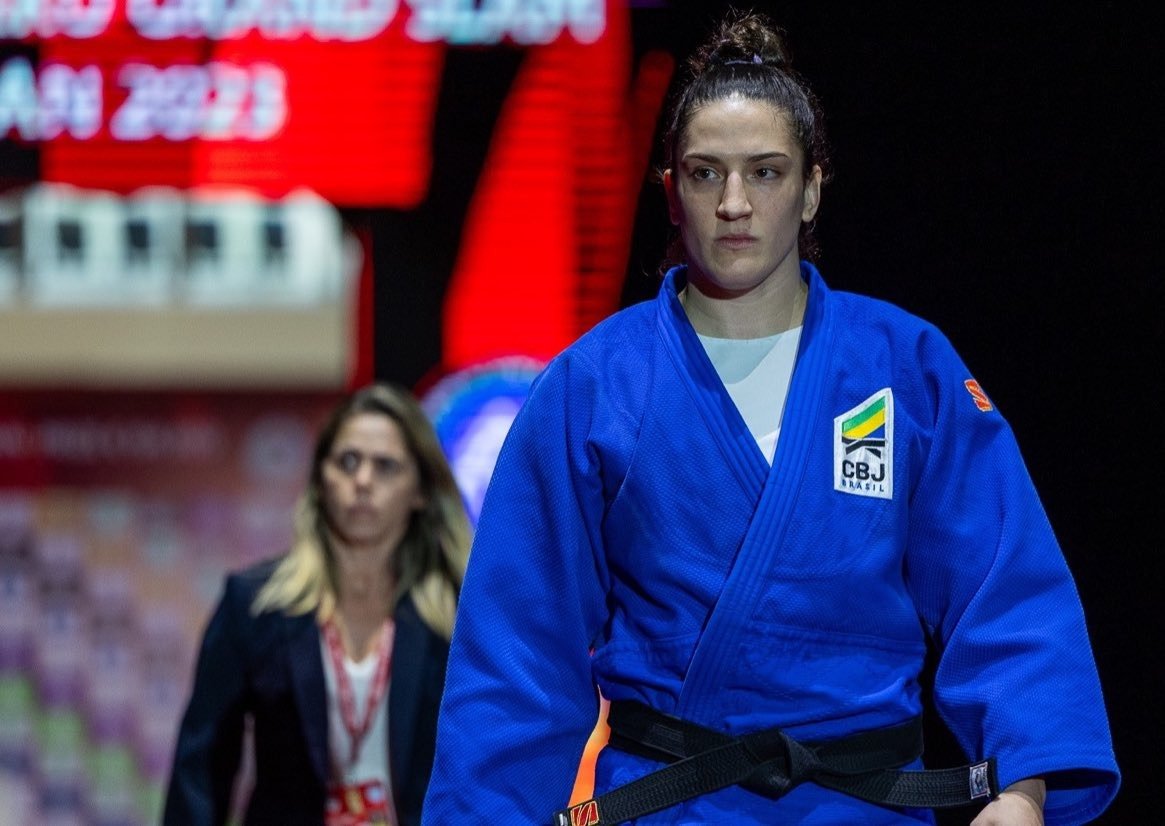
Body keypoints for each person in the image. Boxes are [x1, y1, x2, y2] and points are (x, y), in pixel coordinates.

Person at [421, 10, 1120, 826]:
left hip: (863, 806)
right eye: (704, 173)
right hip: (673, 806)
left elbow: (1003, 583)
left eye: (765, 172)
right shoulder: (594, 383)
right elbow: (517, 651)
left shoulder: (904, 367)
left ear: (813, 185)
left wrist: (1022, 784)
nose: (734, 204)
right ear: (669, 190)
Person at [164, 383, 470, 826]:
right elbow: (202, 766)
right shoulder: (256, 604)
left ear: (420, 491)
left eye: (385, 467)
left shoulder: (456, 615)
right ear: (320, 480)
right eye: (347, 462)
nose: (362, 481)